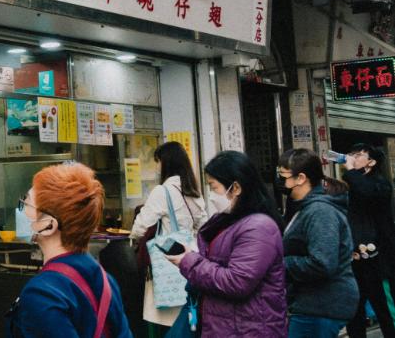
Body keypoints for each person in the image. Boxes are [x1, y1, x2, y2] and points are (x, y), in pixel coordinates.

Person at [165, 150, 286, 337]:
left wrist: (189, 262)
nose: (212, 195)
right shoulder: (227, 221)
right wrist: (192, 256)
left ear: (236, 188)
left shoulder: (258, 228)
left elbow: (237, 282)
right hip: (227, 325)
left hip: (248, 329)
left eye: (214, 187)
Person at [7, 161, 132, 337]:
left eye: (26, 204)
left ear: (49, 225)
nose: (20, 210)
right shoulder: (105, 280)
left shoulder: (42, 293)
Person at [277, 148, 358, 337]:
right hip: (314, 304)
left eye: (283, 175)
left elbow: (322, 263)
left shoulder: (320, 212)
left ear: (301, 178)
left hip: (321, 306)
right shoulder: (306, 209)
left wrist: (278, 264)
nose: (280, 181)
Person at [130, 142, 207, 333]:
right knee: (186, 320)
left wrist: (134, 237)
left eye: (158, 162)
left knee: (162, 325)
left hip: (166, 264)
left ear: (166, 163)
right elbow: (203, 228)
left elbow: (140, 227)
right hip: (190, 262)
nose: (156, 168)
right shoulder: (195, 193)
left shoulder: (162, 191)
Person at [343, 142, 395, 338]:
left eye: (358, 155)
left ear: (371, 162)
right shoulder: (351, 187)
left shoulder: (381, 185)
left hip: (379, 260)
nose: (352, 158)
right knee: (355, 310)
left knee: (384, 308)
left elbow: (367, 192)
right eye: (351, 154)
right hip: (356, 259)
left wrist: (351, 172)